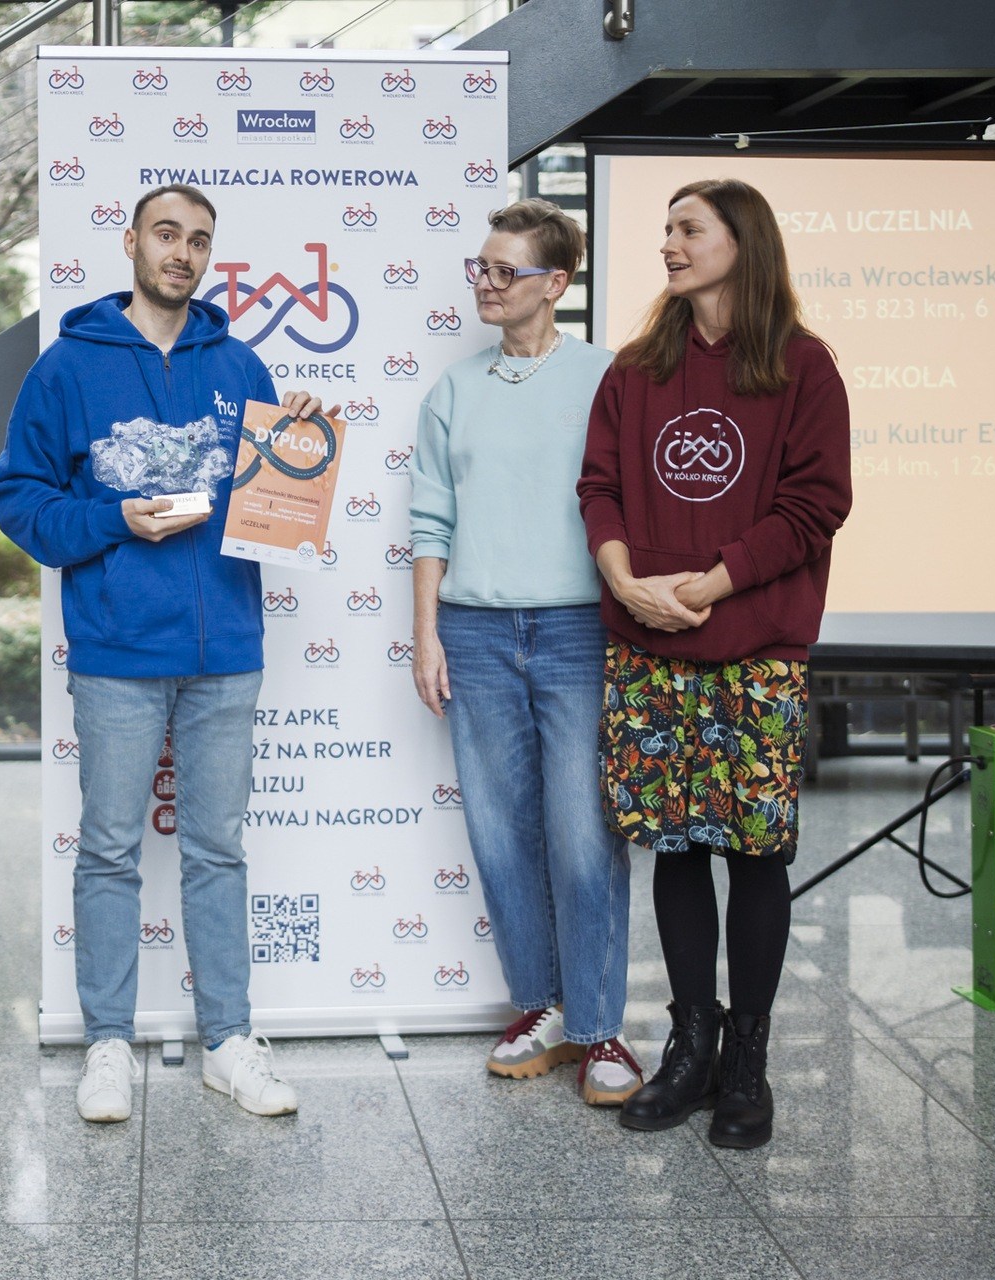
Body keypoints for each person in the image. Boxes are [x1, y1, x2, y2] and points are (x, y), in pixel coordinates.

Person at [0, 184, 322, 1123]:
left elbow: (272, 503)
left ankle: (229, 1041)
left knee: (218, 850)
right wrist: (116, 520)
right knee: (108, 850)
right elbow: (20, 500)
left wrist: (295, 438)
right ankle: (106, 1042)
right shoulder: (67, 367)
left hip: (227, 650)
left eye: (199, 240)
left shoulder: (240, 365)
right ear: (131, 241)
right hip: (118, 651)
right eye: (167, 234)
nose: (183, 252)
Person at [579, 178, 850, 1149]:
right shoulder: (636, 368)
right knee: (677, 845)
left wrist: (712, 582)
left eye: (688, 228)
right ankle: (690, 1047)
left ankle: (747, 1062)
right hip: (649, 645)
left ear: (743, 242)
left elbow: (816, 504)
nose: (669, 244)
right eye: (666, 229)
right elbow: (599, 486)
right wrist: (624, 576)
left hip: (756, 650)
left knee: (757, 852)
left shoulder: (804, 367)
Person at [409, 199, 643, 1108]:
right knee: (502, 836)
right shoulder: (453, 390)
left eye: (507, 271)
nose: (488, 283)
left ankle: (601, 1026)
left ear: (557, 283)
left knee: (585, 837)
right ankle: (540, 1006)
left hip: (580, 631)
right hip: (473, 633)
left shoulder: (608, 378)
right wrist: (427, 632)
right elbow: (431, 520)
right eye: (482, 267)